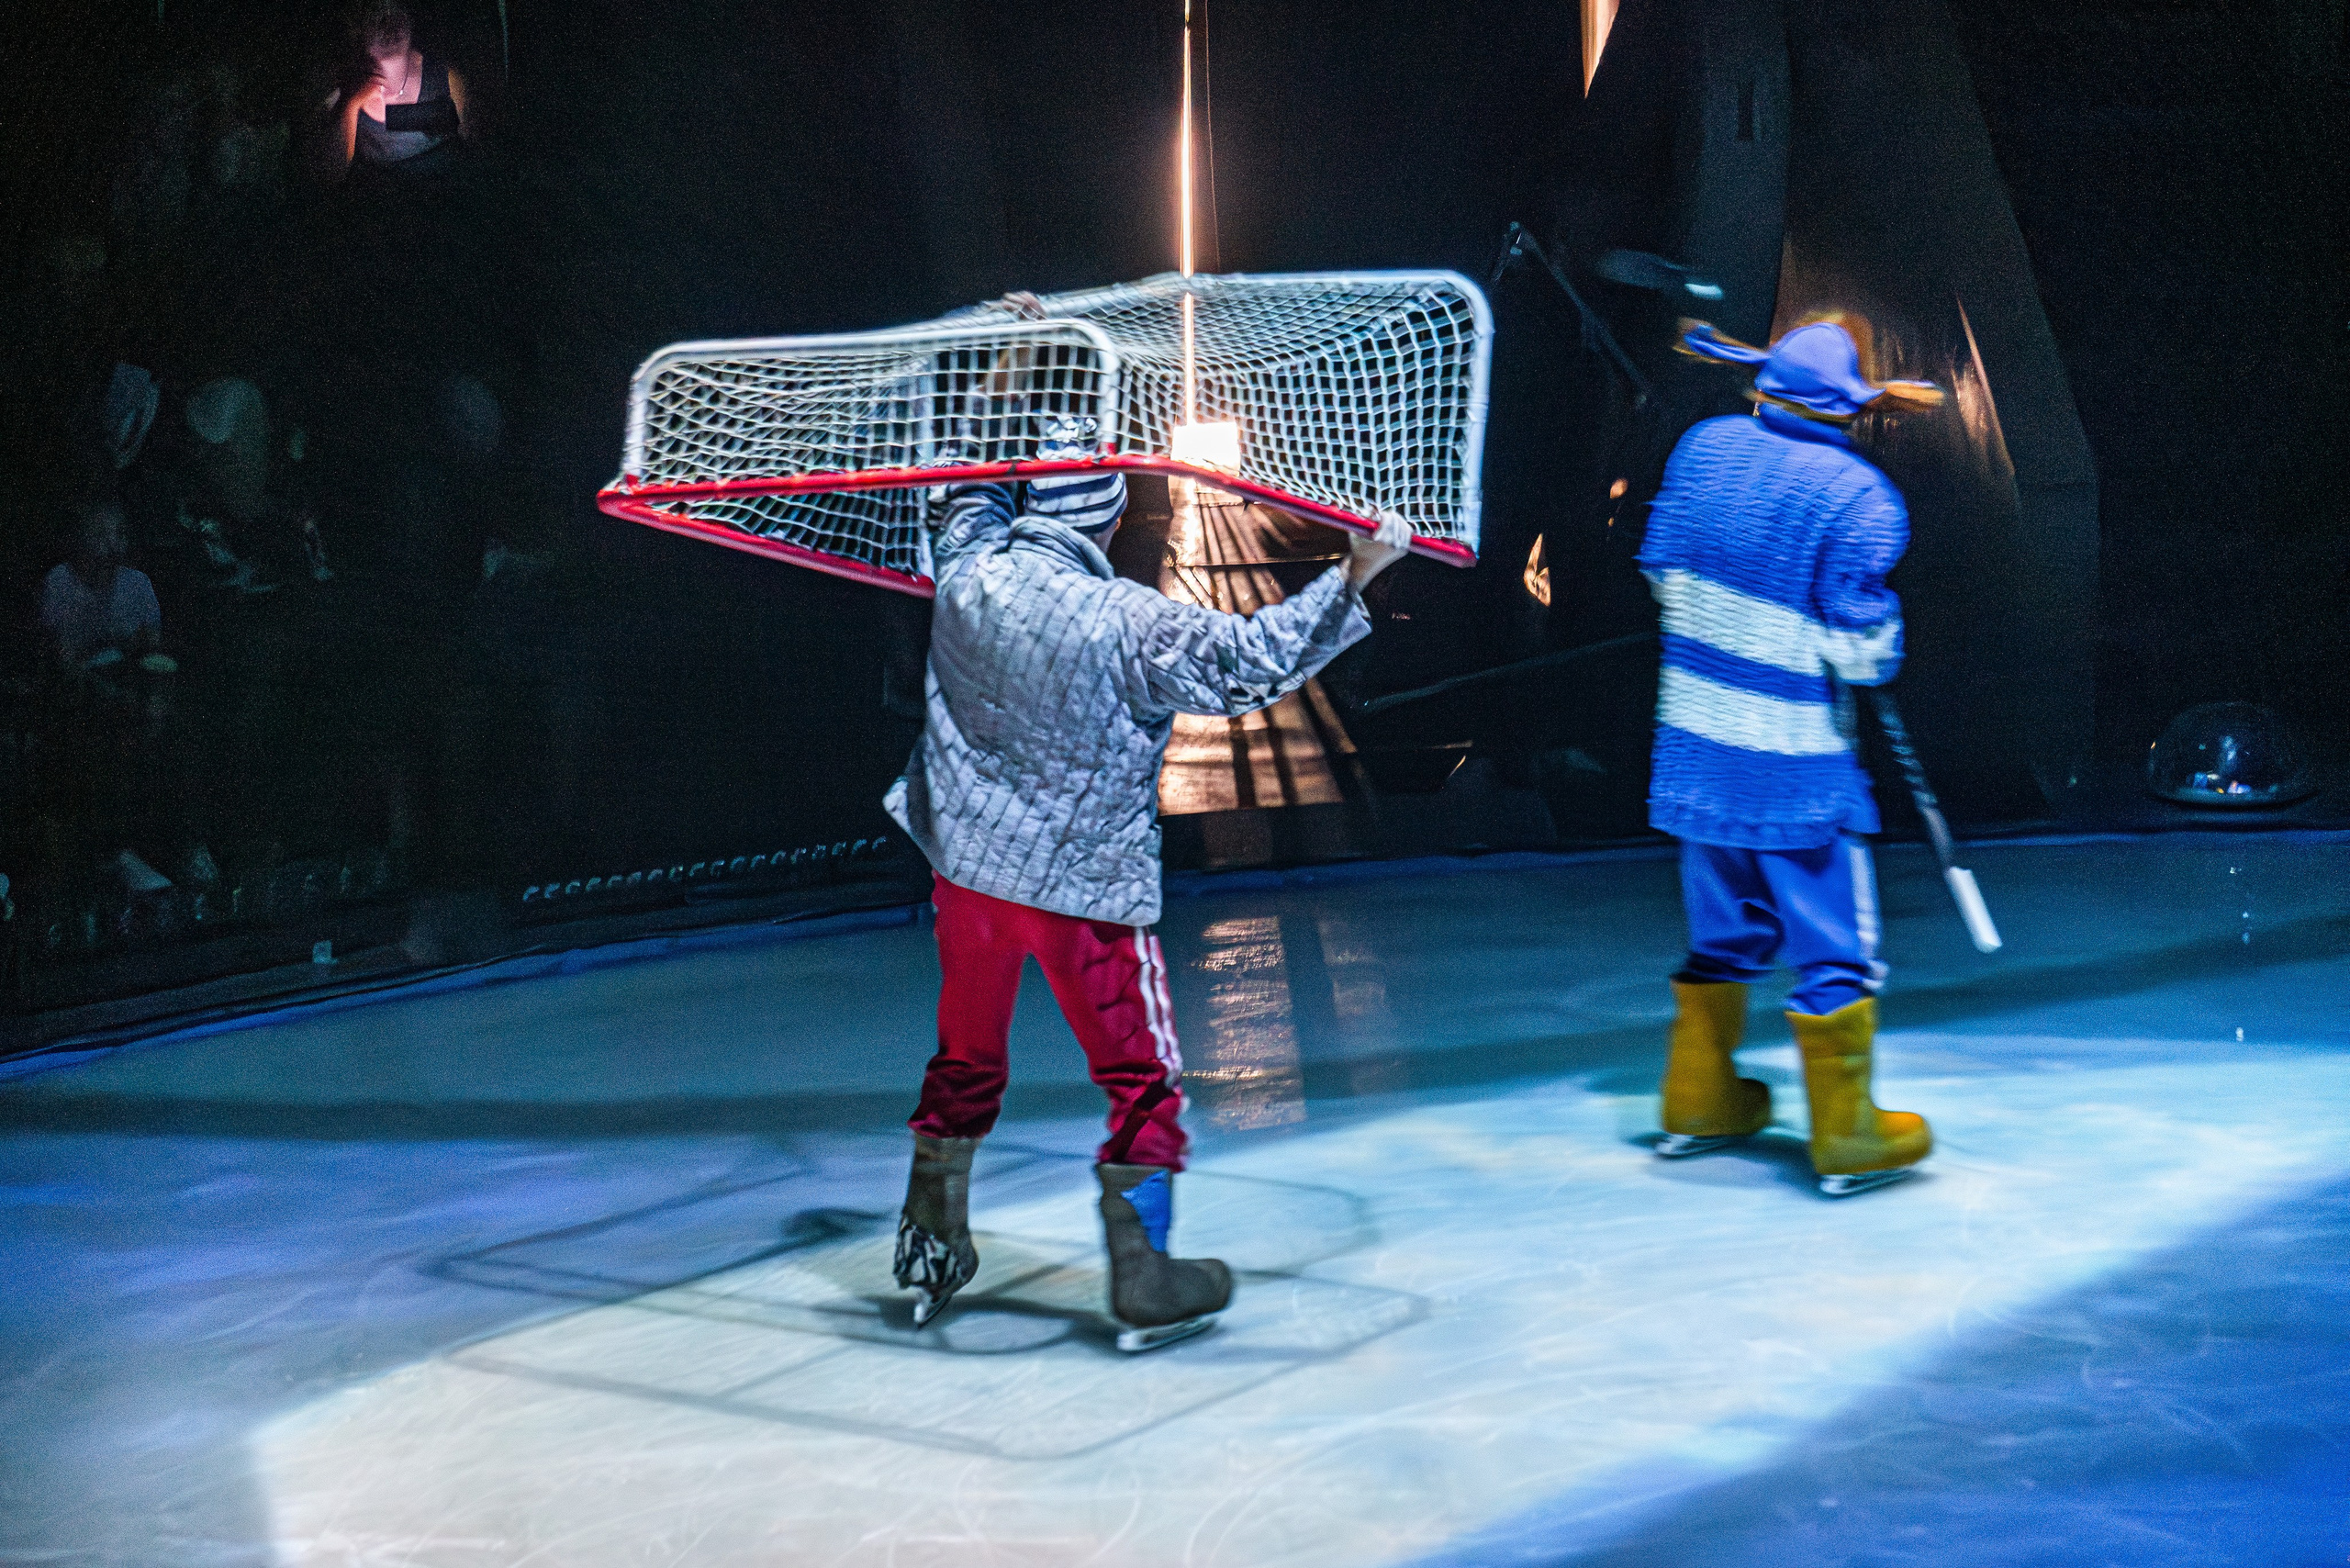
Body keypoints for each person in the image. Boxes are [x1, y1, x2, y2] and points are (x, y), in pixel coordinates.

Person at [886, 412, 1414, 1349]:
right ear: (1106, 516)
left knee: (965, 1057)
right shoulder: (1124, 620)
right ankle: (1143, 1274)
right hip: (1078, 893)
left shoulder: (967, 569)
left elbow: (961, 476)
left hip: (966, 880)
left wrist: (1018, 354)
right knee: (1143, 1078)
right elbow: (1250, 662)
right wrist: (1357, 572)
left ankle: (930, 1245)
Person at [1639, 316, 1945, 1197]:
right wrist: (1878, 646)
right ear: (1846, 412)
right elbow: (1859, 654)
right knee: (1834, 949)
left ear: (1763, 387)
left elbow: (1660, 574)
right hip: (1798, 768)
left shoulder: (1701, 450)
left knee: (1723, 935)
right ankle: (1847, 1134)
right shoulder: (1859, 496)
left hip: (1698, 748)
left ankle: (1697, 1103)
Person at [323, 0, 470, 179]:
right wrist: (350, 102)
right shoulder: (341, 86)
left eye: (392, 7)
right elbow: (329, 175)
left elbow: (479, 142)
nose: (386, 15)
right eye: (373, 9)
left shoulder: (444, 76)